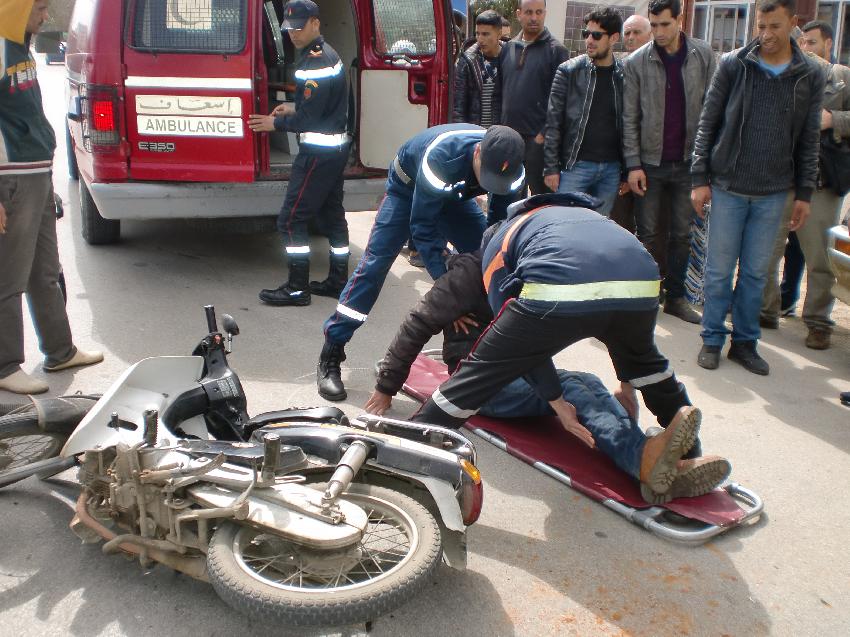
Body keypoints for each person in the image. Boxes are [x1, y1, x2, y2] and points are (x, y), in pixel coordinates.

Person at [367, 249, 731, 503]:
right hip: (482, 385)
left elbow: (614, 329)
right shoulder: (466, 276)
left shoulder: (533, 272)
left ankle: (651, 451)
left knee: (585, 384)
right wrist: (387, 388)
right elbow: (416, 324)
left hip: (522, 367)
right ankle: (643, 461)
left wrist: (625, 383)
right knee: (578, 387)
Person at [412, 194, 711, 482]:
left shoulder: (499, 245)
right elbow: (632, 345)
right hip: (643, 279)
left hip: (560, 287)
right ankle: (686, 451)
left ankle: (412, 439)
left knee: (477, 377)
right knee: (649, 367)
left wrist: (555, 398)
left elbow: (520, 345)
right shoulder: (579, 219)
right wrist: (627, 382)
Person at [316, 124, 526, 402]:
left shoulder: (511, 172)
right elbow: (423, 228)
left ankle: (478, 356)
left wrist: (481, 274)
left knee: (486, 264)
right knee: (374, 266)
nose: (491, 186)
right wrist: (448, 288)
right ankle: (332, 352)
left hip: (456, 195)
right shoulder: (442, 157)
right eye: (486, 176)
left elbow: (498, 231)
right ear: (477, 152)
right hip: (410, 190)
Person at [691, 0, 825, 375]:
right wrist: (699, 179)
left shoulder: (808, 74)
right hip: (729, 185)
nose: (765, 35)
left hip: (774, 192)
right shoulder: (734, 64)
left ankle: (745, 343)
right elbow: (708, 122)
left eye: (774, 26)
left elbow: (810, 136)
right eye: (760, 26)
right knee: (718, 270)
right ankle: (712, 339)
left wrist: (804, 193)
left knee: (755, 273)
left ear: (793, 24)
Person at [0, 0, 103, 396]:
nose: (45, 17)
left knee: (44, 270)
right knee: (8, 276)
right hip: (10, 178)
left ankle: (59, 350)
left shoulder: (18, 47)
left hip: (34, 172)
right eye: (38, 8)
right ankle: (6, 364)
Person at [248, 0, 351, 308]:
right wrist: (294, 106)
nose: (293, 33)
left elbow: (309, 120)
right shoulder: (325, 55)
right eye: (289, 27)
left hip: (318, 153)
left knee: (291, 220)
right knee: (332, 216)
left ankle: (296, 288)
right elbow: (323, 105)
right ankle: (338, 280)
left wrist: (273, 123)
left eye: (299, 26)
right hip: (335, 148)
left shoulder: (315, 61)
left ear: (315, 23)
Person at [759, 20, 850, 350]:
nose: (805, 49)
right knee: (766, 254)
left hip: (820, 184)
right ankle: (766, 311)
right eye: (801, 44)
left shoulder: (840, 76)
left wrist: (834, 120)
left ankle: (818, 322)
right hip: (780, 180)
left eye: (810, 43)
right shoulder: (783, 76)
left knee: (819, 259)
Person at [623, 0, 715, 324]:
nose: (659, 32)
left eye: (665, 24)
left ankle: (676, 297)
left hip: (689, 162)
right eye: (655, 25)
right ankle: (648, 296)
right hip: (650, 164)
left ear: (680, 19)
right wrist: (633, 163)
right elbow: (630, 117)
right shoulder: (636, 62)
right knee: (647, 234)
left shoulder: (703, 56)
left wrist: (706, 167)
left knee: (682, 234)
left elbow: (712, 111)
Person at [543, 8, 624, 217]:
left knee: (599, 231)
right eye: (585, 34)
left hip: (611, 168)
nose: (589, 40)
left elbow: (630, 123)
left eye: (596, 35)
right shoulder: (568, 71)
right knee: (564, 225)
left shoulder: (624, 75)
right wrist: (551, 167)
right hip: (575, 166)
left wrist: (626, 170)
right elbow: (553, 121)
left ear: (614, 38)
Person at [496, 0, 569, 196]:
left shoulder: (556, 51)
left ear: (545, 13)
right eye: (529, 12)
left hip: (539, 142)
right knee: (507, 199)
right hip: (509, 139)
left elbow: (562, 101)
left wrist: (542, 135)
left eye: (539, 12)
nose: (534, 17)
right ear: (519, 14)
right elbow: (499, 92)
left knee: (541, 202)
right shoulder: (508, 48)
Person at [609, 15, 653, 232]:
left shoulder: (660, 72)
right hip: (623, 169)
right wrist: (624, 173)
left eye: (637, 32)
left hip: (655, 169)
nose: (631, 37)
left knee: (651, 232)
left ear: (650, 34)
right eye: (627, 33)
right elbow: (620, 125)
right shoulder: (619, 70)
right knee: (620, 229)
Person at [452, 10, 503, 129]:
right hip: (475, 132)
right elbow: (459, 106)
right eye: (477, 33)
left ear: (499, 34)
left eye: (485, 34)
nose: (480, 39)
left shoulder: (509, 56)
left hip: (500, 134)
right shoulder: (467, 60)